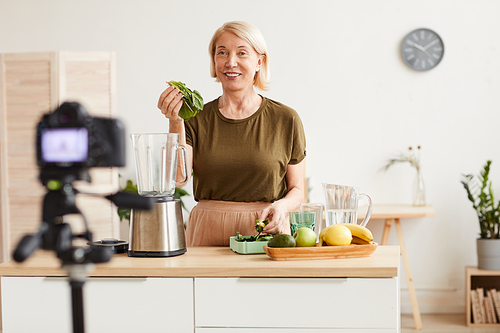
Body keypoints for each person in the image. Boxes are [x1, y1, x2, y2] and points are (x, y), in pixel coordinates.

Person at [157, 21, 306, 246]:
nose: (230, 62)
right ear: (214, 60)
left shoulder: (286, 119)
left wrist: (282, 206)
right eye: (222, 53)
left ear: (259, 61)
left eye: (241, 53)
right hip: (207, 231)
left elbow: (297, 189)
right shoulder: (195, 117)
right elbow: (179, 179)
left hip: (265, 230)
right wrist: (175, 121)